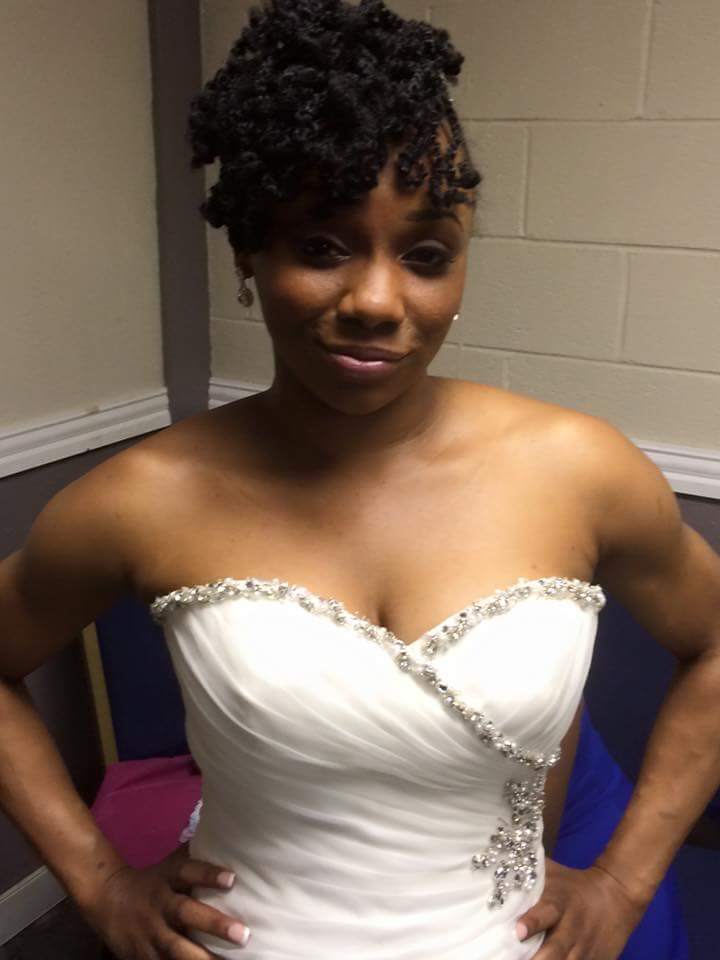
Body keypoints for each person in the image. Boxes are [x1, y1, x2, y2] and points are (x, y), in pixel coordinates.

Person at [1, 0, 719, 957]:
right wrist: (97, 883)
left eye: (425, 256)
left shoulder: (578, 469)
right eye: (322, 246)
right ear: (248, 252)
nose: (378, 300)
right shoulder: (145, 498)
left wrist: (625, 881)